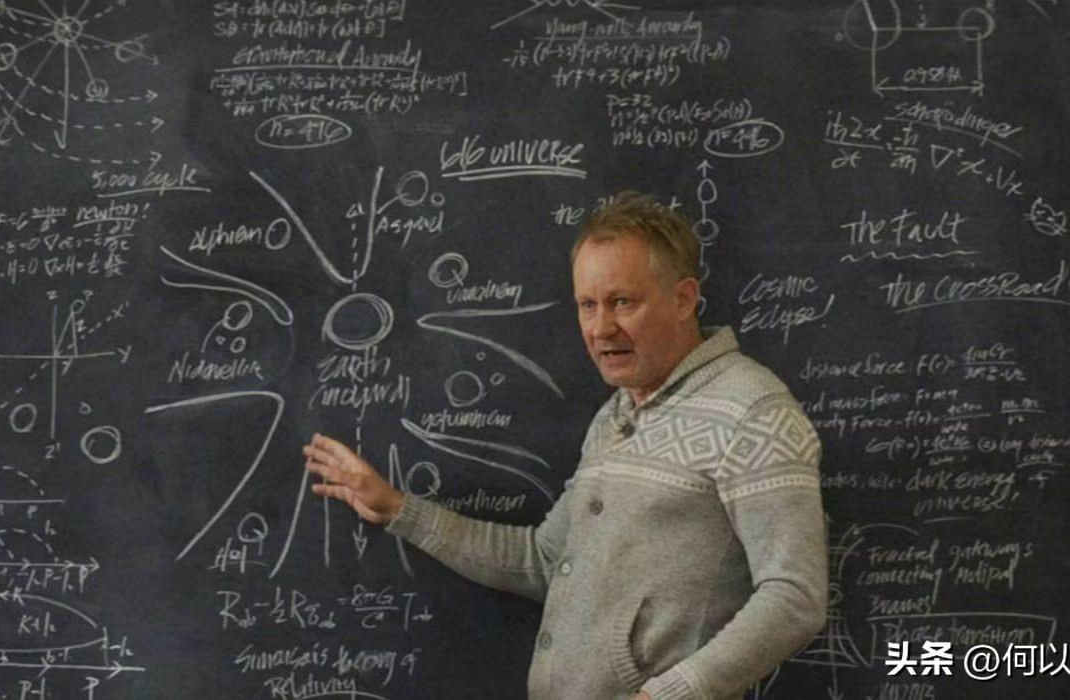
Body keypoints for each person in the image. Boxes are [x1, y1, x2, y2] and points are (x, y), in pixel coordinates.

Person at [302, 192, 828, 700]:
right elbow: (542, 560)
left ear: (684, 298)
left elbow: (795, 596)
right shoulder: (615, 416)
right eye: (587, 305)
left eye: (623, 302)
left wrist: (667, 696)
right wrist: (398, 509)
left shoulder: (753, 412)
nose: (601, 328)